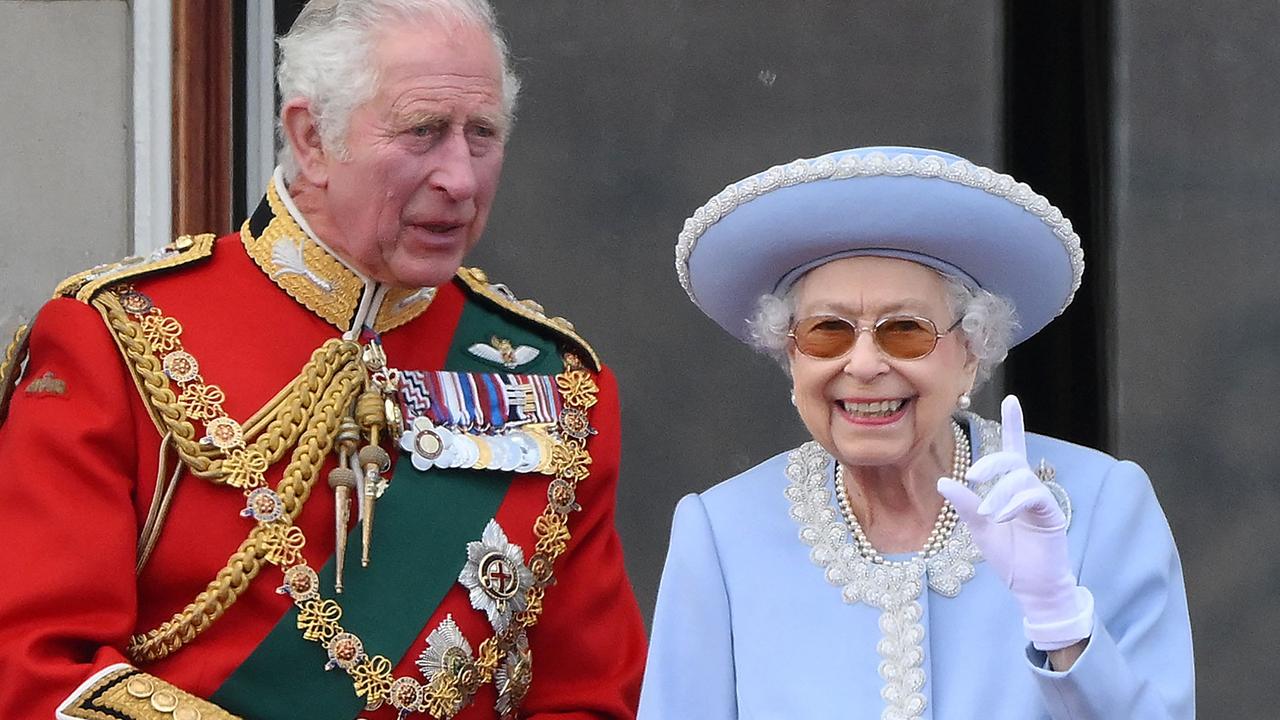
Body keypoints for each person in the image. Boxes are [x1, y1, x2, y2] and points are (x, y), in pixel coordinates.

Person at [0, 1, 646, 718]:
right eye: (423, 131)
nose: (460, 179)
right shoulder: (119, 339)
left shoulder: (555, 386)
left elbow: (589, 696)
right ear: (311, 138)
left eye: (483, 135)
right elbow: (37, 672)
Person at [639, 146, 1194, 718]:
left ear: (971, 354)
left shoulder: (1102, 504)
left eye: (905, 330)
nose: (862, 365)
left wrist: (1061, 623)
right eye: (827, 331)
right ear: (792, 358)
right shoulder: (722, 533)